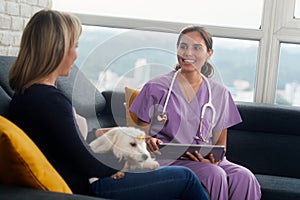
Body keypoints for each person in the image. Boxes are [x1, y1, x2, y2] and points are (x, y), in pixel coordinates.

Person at [7, 10, 209, 200]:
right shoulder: (48, 101)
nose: (76, 56)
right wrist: (129, 161)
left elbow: (64, 143)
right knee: (185, 177)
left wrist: (102, 135)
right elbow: (88, 164)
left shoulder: (29, 96)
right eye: (74, 46)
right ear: (57, 50)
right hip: (91, 186)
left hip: (91, 177)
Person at [130, 25, 262, 200]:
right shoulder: (156, 87)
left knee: (244, 177)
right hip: (167, 159)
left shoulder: (220, 93)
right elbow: (137, 136)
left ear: (209, 53)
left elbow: (221, 146)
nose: (187, 53)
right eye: (183, 46)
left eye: (196, 47)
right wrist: (148, 140)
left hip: (206, 160)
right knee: (214, 174)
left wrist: (212, 160)